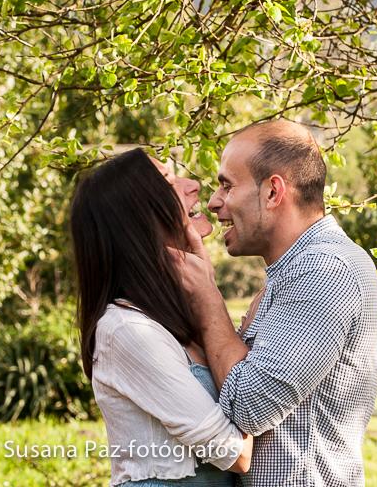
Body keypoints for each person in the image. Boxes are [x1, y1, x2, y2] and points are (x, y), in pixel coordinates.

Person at [171, 120, 377, 487]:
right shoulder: (293, 270)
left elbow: (248, 405)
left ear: (272, 192)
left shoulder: (324, 270)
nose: (214, 201)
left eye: (227, 185)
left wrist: (208, 300)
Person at [70, 148, 254, 486]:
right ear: (137, 218)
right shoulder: (127, 329)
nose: (194, 186)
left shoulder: (174, 316)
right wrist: (210, 297)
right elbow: (236, 454)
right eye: (168, 181)